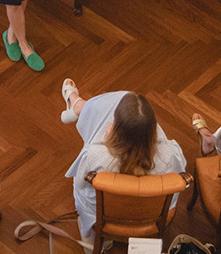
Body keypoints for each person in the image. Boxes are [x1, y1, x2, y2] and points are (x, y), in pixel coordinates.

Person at [61, 83, 186, 244]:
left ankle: (80, 106)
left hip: (106, 216)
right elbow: (179, 180)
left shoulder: (94, 155)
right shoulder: (170, 153)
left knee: (80, 190)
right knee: (125, 96)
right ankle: (80, 106)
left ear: (116, 127)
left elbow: (81, 187)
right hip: (151, 216)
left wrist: (105, 142)